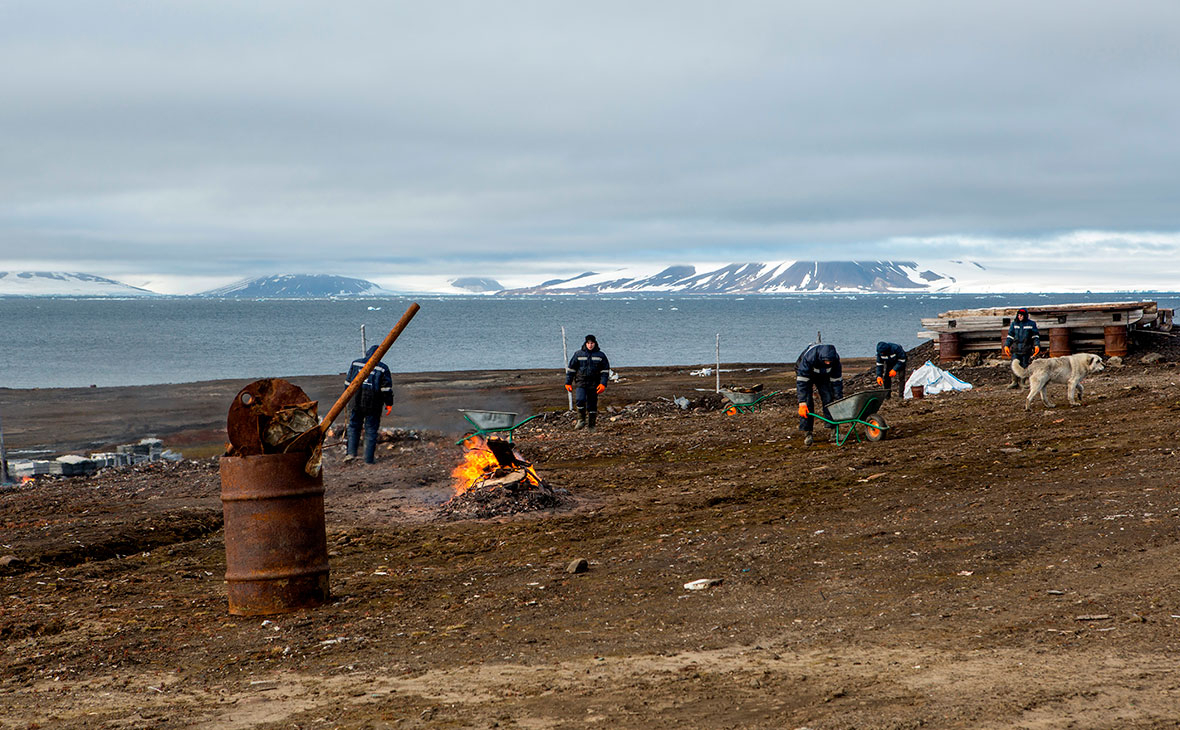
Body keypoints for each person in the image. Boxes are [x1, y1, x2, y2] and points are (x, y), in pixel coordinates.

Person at [344, 344, 393, 463]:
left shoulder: (356, 364)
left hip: (356, 400)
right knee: (371, 429)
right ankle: (368, 459)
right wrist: (389, 403)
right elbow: (386, 389)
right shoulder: (383, 368)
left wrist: (346, 398)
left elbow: (347, 383)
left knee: (353, 427)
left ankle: (351, 454)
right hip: (374, 402)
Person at [796, 343, 843, 446]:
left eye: (829, 361)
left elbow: (836, 380)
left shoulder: (835, 360)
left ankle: (834, 431)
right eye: (826, 361)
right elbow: (802, 382)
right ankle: (808, 433)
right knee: (807, 403)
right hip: (805, 375)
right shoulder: (809, 358)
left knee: (828, 398)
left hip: (823, 376)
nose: (828, 363)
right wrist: (801, 402)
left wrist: (839, 399)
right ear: (820, 358)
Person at [565, 334, 611, 430]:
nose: (590, 345)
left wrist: (603, 384)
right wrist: (568, 382)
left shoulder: (600, 355)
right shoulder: (578, 354)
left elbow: (605, 371)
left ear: (595, 343)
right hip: (581, 382)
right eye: (588, 343)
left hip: (594, 384)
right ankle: (581, 420)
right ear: (585, 344)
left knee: (592, 404)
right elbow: (571, 369)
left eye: (592, 343)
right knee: (580, 400)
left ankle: (591, 425)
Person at [1003, 308, 1041, 389]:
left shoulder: (1031, 324)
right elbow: (1010, 335)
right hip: (1015, 348)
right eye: (1019, 315)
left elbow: (1035, 336)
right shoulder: (1014, 324)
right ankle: (1014, 381)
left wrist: (1037, 345)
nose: (1020, 317)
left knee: (1024, 365)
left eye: (1022, 315)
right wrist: (1006, 345)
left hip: (1026, 348)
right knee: (1014, 364)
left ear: (1025, 316)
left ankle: (1022, 382)